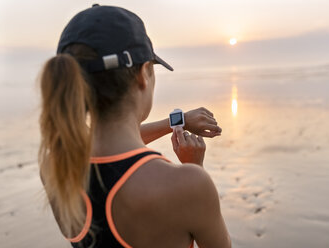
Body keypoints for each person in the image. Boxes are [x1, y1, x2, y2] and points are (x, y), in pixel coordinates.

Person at [38, 4, 231, 248]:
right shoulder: (188, 185)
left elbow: (112, 144)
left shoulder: (54, 165)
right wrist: (196, 168)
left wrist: (178, 120)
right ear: (144, 74)